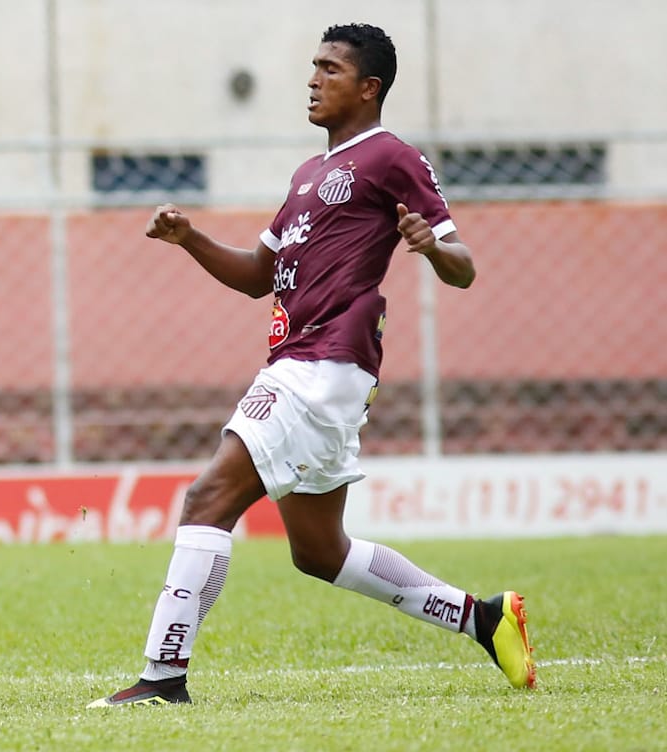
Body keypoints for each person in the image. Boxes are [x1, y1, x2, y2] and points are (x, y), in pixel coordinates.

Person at [88, 23, 534, 708]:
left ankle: (162, 675)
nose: (313, 79)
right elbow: (255, 276)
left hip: (321, 364)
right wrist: (189, 238)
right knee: (320, 552)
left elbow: (463, 267)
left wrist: (430, 246)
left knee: (207, 499)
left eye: (330, 68)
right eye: (313, 66)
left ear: (369, 87)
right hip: (310, 365)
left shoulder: (390, 157)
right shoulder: (307, 175)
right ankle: (484, 618)